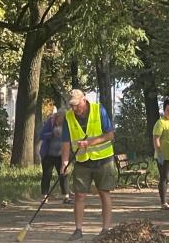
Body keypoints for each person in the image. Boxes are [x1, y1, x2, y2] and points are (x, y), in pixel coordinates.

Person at [60, 89, 117, 241]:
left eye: (76, 105)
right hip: (82, 161)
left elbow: (110, 135)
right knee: (79, 195)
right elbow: (65, 142)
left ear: (83, 100)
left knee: (104, 192)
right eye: (71, 105)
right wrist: (64, 162)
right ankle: (78, 230)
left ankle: (105, 229)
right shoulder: (68, 117)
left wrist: (90, 142)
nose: (74, 109)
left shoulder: (99, 110)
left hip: (104, 160)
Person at [40, 109, 72, 204]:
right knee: (46, 175)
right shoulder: (50, 122)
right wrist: (52, 134)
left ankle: (66, 196)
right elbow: (41, 135)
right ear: (56, 117)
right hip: (48, 154)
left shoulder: (68, 125)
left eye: (62, 119)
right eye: (59, 119)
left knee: (63, 174)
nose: (60, 121)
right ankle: (44, 196)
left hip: (61, 155)